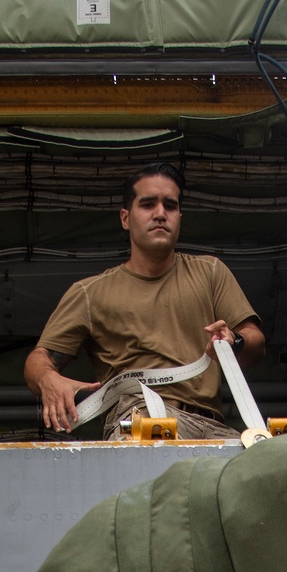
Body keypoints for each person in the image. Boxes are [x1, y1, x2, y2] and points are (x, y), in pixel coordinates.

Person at [23, 161, 265, 438]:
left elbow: (256, 344)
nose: (161, 213)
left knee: (270, 466)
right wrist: (48, 378)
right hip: (140, 418)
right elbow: (38, 358)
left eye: (170, 206)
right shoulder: (89, 294)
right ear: (125, 218)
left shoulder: (210, 273)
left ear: (180, 217)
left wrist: (234, 341)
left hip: (209, 426)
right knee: (147, 431)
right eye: (148, 204)